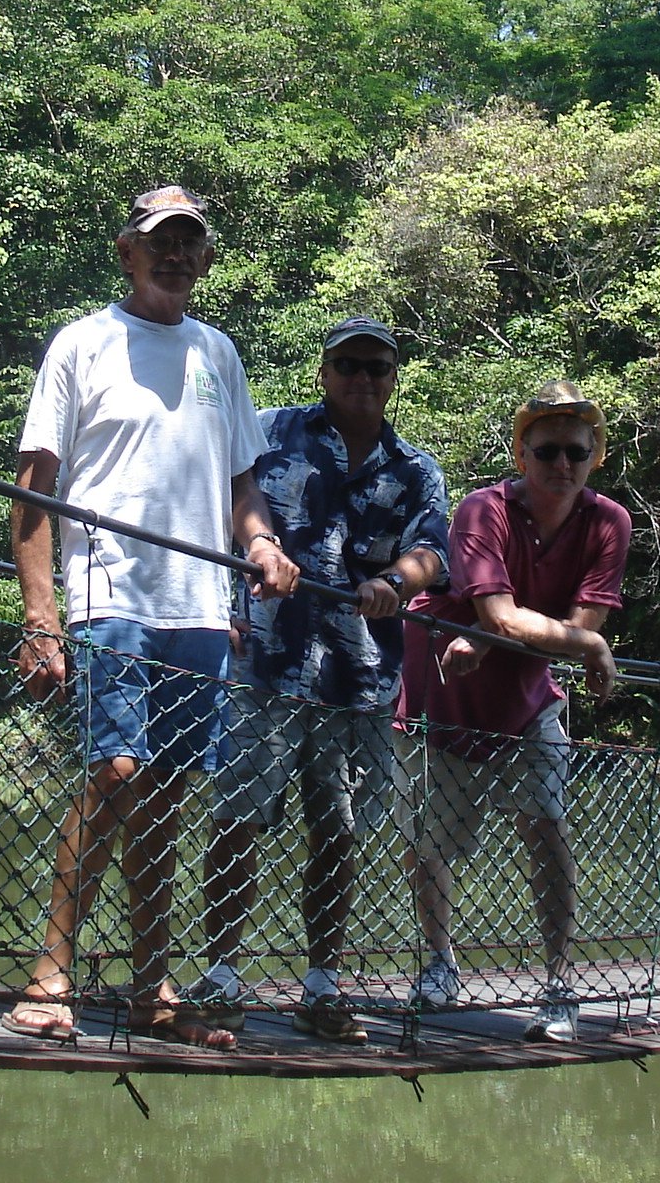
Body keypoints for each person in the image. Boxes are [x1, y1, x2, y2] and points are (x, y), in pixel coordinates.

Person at [2, 184, 300, 1048]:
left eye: (189, 244)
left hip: (201, 610)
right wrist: (39, 615)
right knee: (117, 773)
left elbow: (243, 485)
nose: (174, 256)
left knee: (167, 792)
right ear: (126, 252)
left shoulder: (220, 354)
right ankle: (52, 973)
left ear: (205, 260)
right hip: (108, 595)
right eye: (158, 241)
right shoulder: (83, 344)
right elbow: (33, 485)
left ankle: (149, 984)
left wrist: (262, 545)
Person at [187, 317, 450, 1044]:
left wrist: (399, 581)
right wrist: (218, 603)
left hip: (359, 679)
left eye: (378, 369)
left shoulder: (416, 467)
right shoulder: (268, 432)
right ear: (324, 371)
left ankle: (322, 985)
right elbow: (215, 511)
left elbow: (435, 549)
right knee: (239, 819)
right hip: (264, 665)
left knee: (336, 832)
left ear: (394, 378)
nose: (363, 379)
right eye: (349, 365)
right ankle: (220, 976)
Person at [399, 380, 629, 1044]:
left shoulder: (608, 523)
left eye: (575, 453)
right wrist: (580, 642)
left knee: (546, 824)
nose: (562, 464)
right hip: (442, 691)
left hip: (525, 697)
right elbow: (527, 621)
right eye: (548, 450)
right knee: (429, 844)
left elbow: (574, 620)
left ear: (595, 458)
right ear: (521, 453)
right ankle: (440, 965)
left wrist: (532, 634)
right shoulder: (483, 510)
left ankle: (558, 982)